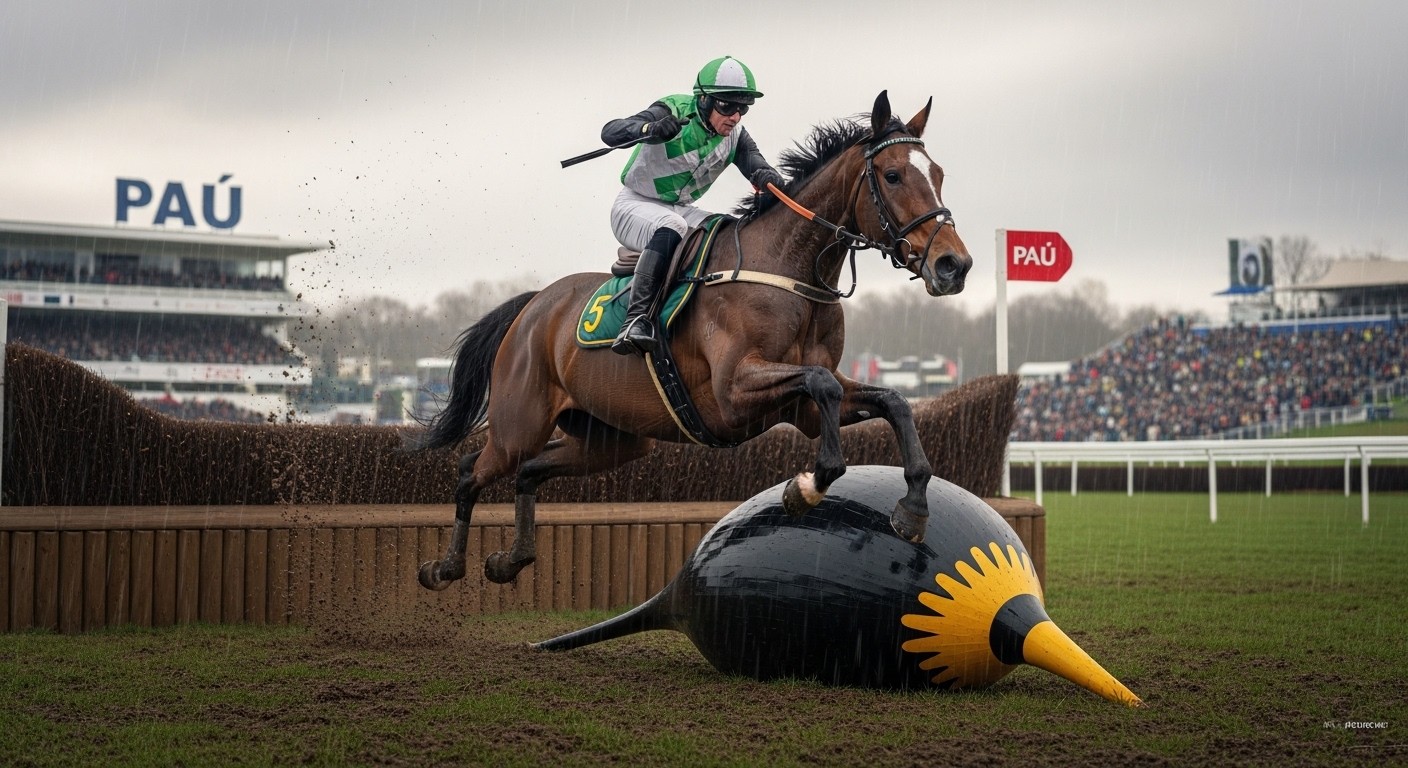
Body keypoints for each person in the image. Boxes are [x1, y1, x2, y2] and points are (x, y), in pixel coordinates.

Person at [601, 55, 784, 356]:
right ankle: (635, 320)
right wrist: (649, 129)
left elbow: (758, 166)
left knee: (725, 229)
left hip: (679, 209)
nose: (735, 117)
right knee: (673, 225)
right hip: (633, 205)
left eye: (743, 108)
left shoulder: (736, 137)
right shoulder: (673, 109)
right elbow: (610, 132)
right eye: (727, 107)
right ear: (704, 100)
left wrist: (769, 179)